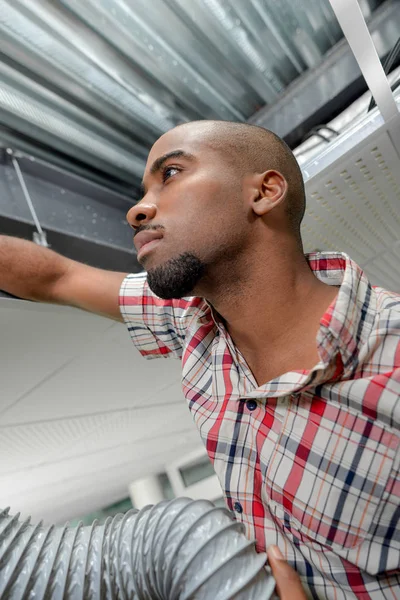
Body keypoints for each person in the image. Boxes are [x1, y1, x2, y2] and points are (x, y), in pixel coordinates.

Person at [0, 120, 398, 599]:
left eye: (169, 174)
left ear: (266, 191)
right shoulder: (195, 325)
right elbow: (56, 278)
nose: (136, 210)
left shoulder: (390, 356)